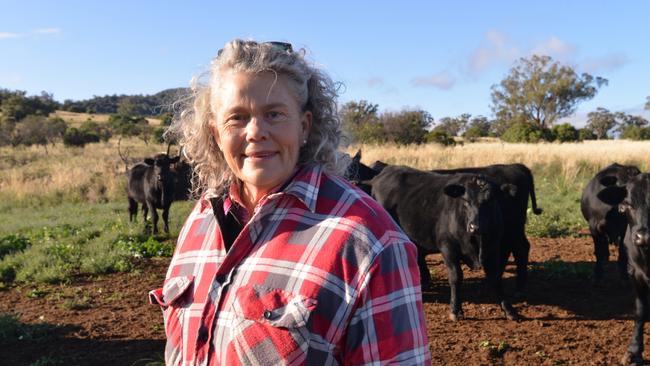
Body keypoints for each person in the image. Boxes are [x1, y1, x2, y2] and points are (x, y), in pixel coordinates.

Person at [149, 39, 431, 366]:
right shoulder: (200, 220)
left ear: (305, 125)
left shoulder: (370, 243)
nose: (255, 132)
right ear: (216, 133)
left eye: (274, 114)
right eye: (237, 118)